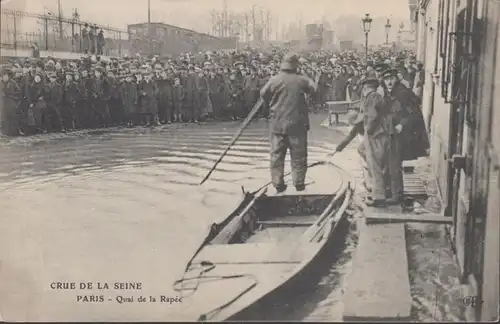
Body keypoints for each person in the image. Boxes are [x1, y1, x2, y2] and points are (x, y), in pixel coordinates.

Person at [260, 52, 317, 194]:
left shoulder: (274, 80)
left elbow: (263, 94)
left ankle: (278, 184)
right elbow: (314, 89)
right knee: (298, 156)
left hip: (277, 125)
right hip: (297, 125)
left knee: (276, 156)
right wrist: (305, 74)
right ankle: (299, 185)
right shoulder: (301, 80)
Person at [361, 78, 390, 207]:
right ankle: (380, 183)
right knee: (361, 149)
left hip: (375, 134)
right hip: (380, 132)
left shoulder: (371, 97)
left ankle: (379, 197)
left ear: (367, 88)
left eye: (364, 88)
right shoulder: (377, 96)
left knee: (375, 164)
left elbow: (372, 116)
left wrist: (368, 130)